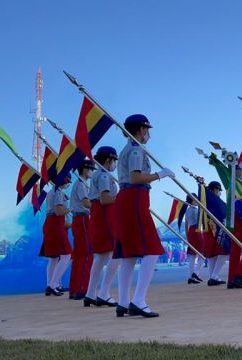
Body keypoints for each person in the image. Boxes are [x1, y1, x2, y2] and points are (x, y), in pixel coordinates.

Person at [114, 114, 174, 318]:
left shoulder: (128, 149)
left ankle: (123, 302)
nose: (148, 134)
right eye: (146, 129)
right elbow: (135, 177)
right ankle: (138, 300)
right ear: (141, 130)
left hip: (127, 198)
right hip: (134, 197)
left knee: (129, 254)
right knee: (153, 249)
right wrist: (160, 175)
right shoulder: (136, 150)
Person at [84, 146, 121, 308]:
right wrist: (122, 197)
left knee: (100, 257)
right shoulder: (105, 175)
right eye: (113, 161)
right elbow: (105, 199)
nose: (114, 164)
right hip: (106, 214)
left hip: (98, 214)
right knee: (116, 254)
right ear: (108, 160)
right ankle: (104, 293)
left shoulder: (97, 175)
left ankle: (90, 293)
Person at [39, 176, 73, 296]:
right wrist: (70, 209)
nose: (68, 183)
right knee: (67, 255)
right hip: (55, 224)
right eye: (68, 180)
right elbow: (59, 211)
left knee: (53, 257)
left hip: (51, 223)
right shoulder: (58, 192)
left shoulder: (51, 192)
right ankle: (53, 284)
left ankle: (51, 285)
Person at [68, 160, 95, 300]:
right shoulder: (81, 184)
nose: (93, 172)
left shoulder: (79, 184)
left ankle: (74, 289)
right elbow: (86, 203)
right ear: (85, 170)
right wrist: (98, 206)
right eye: (91, 169)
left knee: (79, 255)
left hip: (78, 220)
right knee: (86, 254)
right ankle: (82, 289)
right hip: (83, 219)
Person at [202, 181, 229, 286]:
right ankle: (214, 276)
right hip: (215, 229)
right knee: (224, 251)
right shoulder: (213, 200)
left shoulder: (206, 199)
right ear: (214, 189)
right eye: (218, 190)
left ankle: (213, 276)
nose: (219, 192)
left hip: (208, 229)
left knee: (212, 254)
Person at [184, 194, 204, 284]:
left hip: (191, 231)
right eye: (196, 199)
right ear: (192, 200)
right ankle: (195, 273)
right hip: (197, 230)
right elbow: (200, 221)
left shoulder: (187, 210)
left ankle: (192, 275)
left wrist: (188, 236)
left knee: (193, 255)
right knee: (202, 254)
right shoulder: (195, 210)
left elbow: (186, 225)